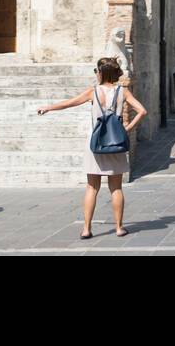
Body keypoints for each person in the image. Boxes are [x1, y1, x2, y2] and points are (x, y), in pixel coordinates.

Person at [38, 56, 147, 239]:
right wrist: (127, 128)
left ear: (101, 73)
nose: (95, 74)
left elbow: (69, 103)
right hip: (116, 143)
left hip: (95, 143)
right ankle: (119, 228)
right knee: (116, 188)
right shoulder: (123, 92)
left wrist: (48, 107)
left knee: (92, 187)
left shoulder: (93, 92)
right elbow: (142, 111)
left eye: (96, 71)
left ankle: (86, 229)